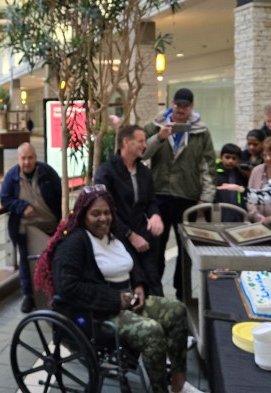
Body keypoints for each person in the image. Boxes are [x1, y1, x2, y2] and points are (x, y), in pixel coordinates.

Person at [34, 187, 188, 393]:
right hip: (97, 314)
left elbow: (131, 261)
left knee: (177, 310)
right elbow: (68, 286)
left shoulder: (114, 234)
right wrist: (118, 299)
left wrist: (140, 285)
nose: (103, 218)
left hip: (129, 301)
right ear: (83, 215)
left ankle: (178, 378)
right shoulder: (75, 242)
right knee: (152, 331)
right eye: (95, 214)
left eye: (107, 212)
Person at [143, 87, 216, 300]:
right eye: (177, 105)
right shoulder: (155, 125)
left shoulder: (201, 131)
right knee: (156, 248)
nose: (180, 109)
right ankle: (154, 293)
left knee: (186, 251)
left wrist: (206, 200)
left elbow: (208, 167)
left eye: (185, 106)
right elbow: (142, 153)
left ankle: (183, 293)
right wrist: (159, 137)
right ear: (171, 103)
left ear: (191, 107)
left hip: (188, 197)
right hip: (159, 195)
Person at [95, 125, 164, 296]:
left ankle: (160, 313)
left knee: (153, 279)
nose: (145, 145)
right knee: (135, 280)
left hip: (144, 235)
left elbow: (150, 201)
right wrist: (130, 235)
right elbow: (105, 211)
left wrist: (155, 215)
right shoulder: (106, 172)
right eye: (140, 141)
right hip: (118, 236)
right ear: (126, 142)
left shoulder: (144, 172)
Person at [0, 142, 62, 313]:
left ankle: (54, 294)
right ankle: (29, 295)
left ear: (36, 158)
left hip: (51, 226)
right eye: (23, 158)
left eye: (30, 158)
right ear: (18, 159)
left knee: (54, 260)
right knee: (27, 262)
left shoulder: (47, 173)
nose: (27, 162)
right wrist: (20, 207)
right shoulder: (12, 176)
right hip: (26, 228)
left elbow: (60, 194)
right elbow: (4, 199)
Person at [246, 136, 271, 227]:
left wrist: (268, 220)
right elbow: (250, 198)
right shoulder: (256, 170)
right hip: (257, 224)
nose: (267, 158)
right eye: (264, 155)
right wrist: (255, 215)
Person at [214, 143, 247, 222]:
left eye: (234, 158)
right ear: (221, 157)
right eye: (227, 157)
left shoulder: (240, 173)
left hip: (238, 213)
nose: (230, 161)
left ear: (238, 160)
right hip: (218, 212)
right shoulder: (214, 172)